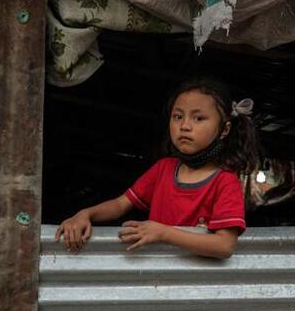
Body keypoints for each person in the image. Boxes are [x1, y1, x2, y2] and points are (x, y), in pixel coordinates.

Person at [55, 77, 259, 258]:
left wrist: (163, 233)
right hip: (156, 276)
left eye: (198, 118)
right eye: (178, 116)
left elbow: (225, 245)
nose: (185, 126)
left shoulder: (224, 181)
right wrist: (85, 214)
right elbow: (119, 205)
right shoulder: (164, 169)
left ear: (224, 129)